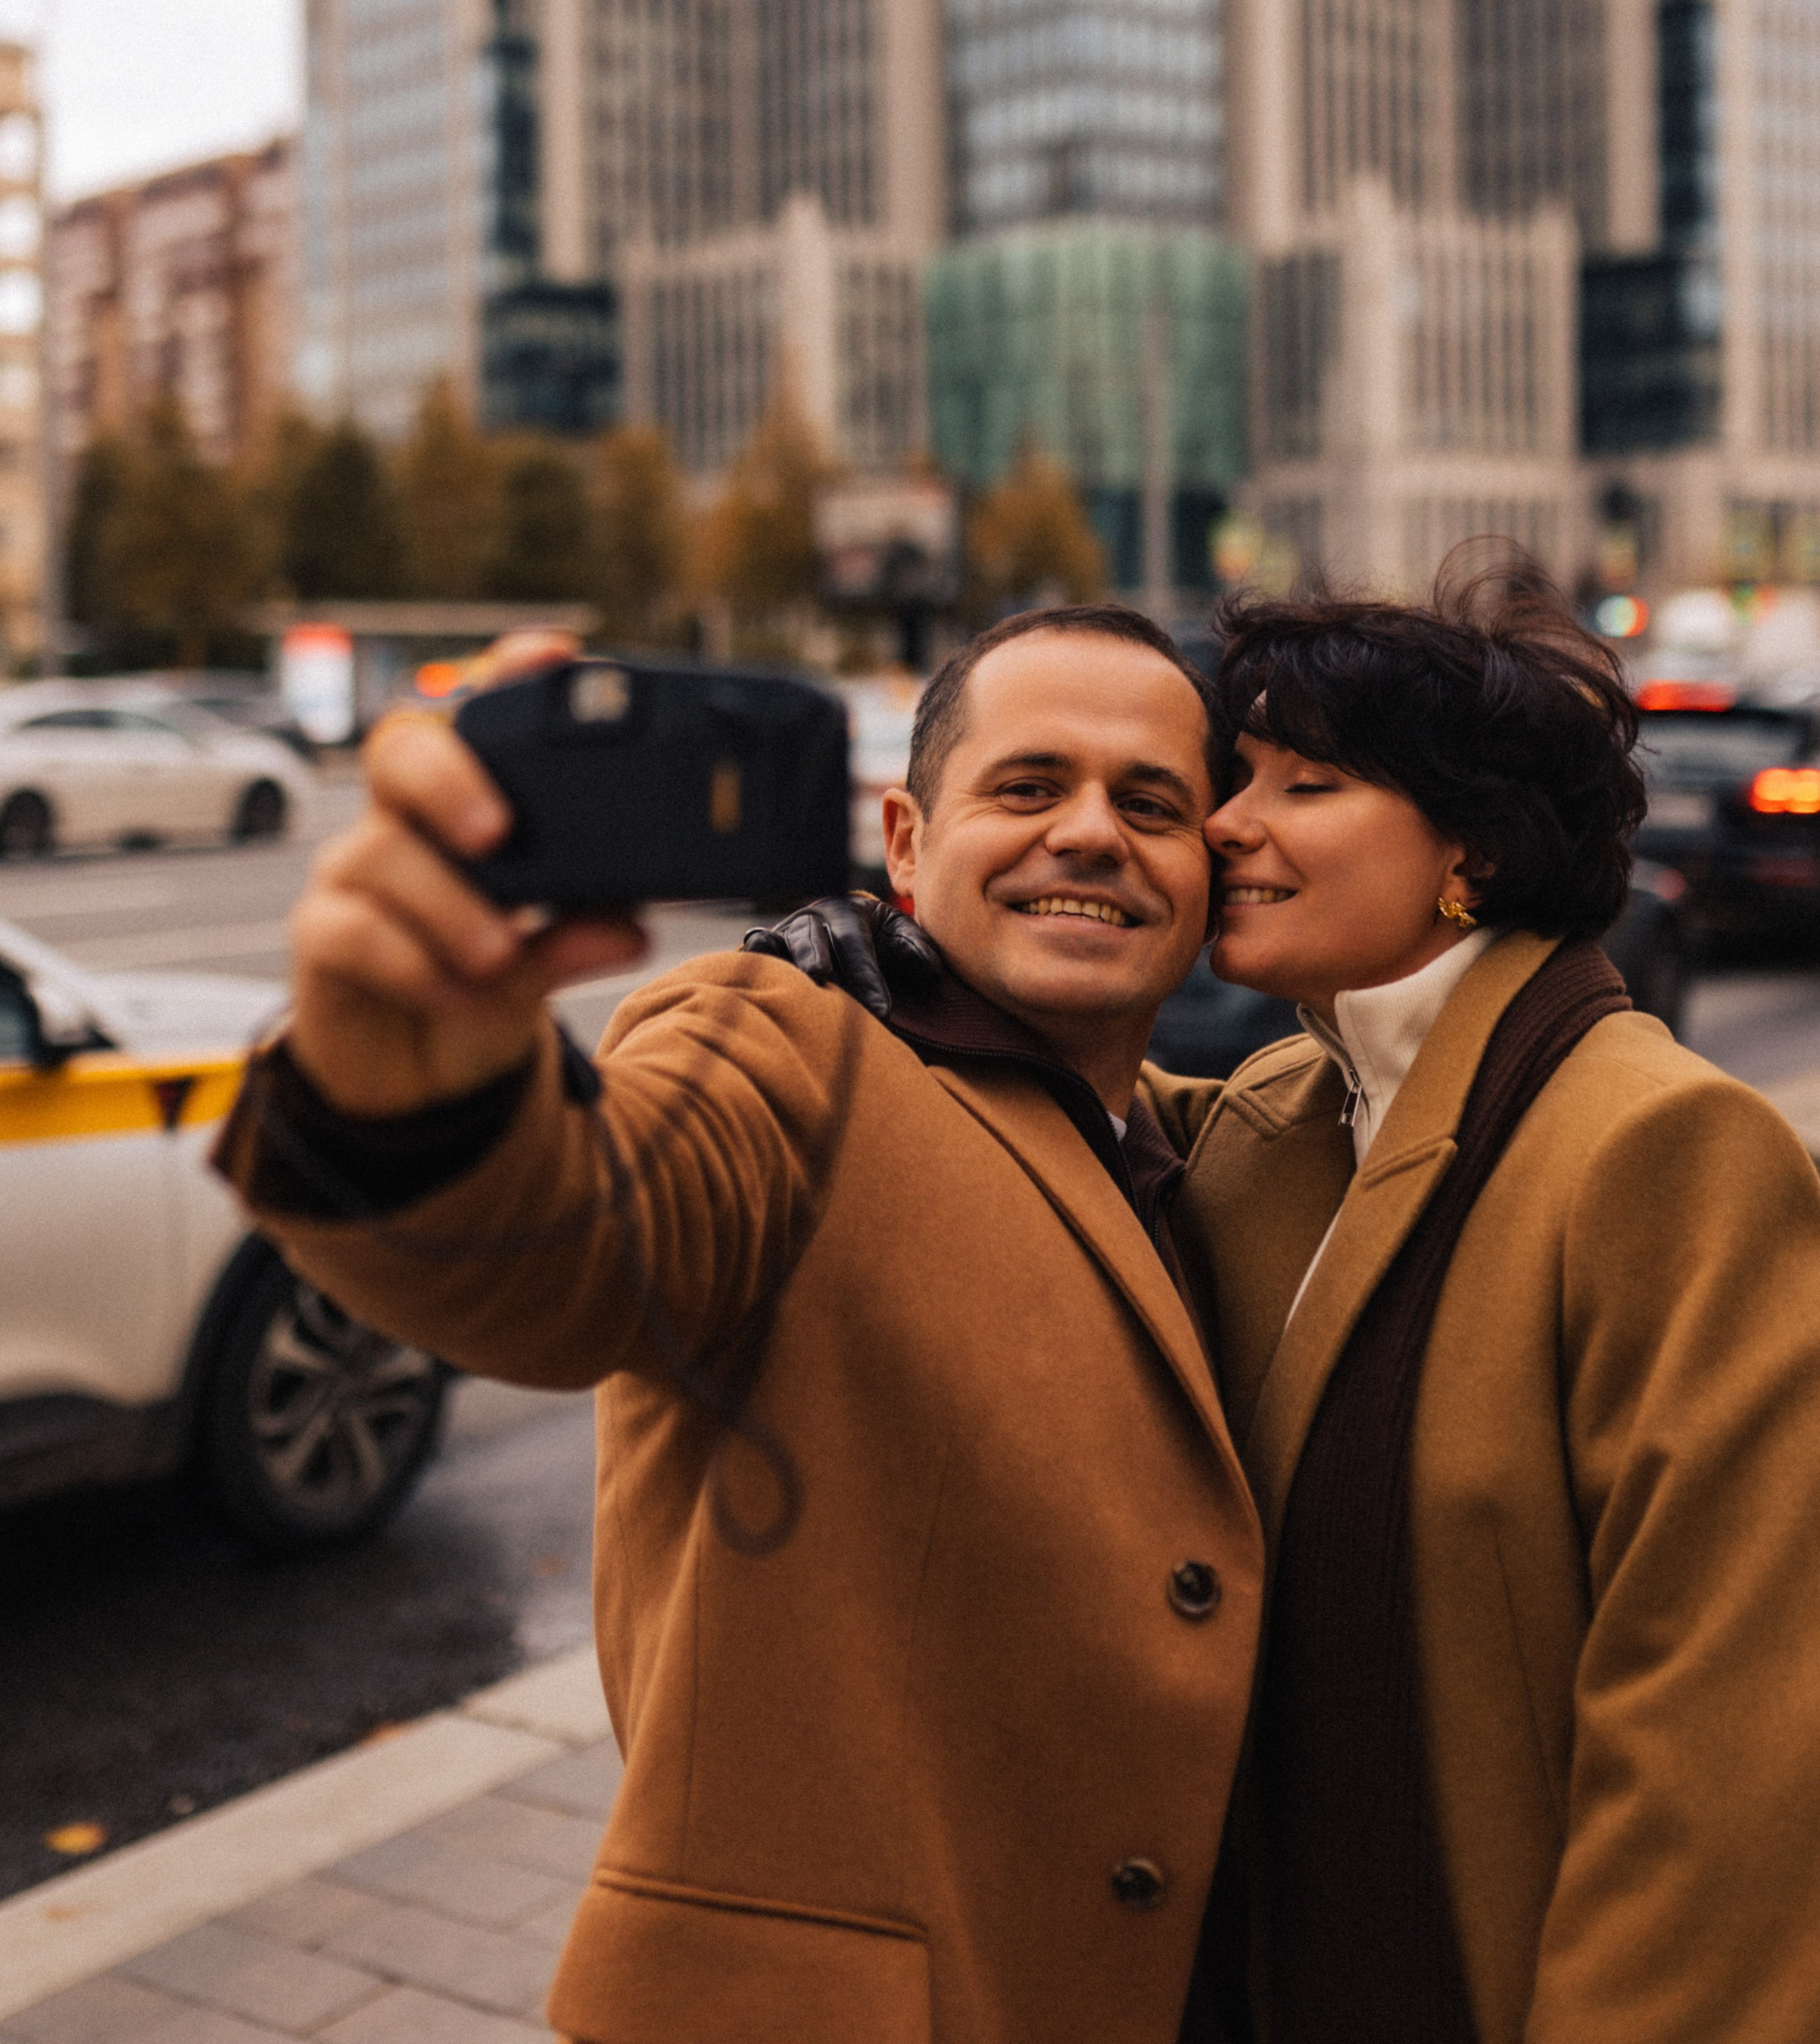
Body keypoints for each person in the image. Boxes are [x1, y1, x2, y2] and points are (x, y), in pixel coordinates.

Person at [778, 557, 1820, 2044]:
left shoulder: (1658, 1154)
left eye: (1301, 784)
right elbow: (1061, 1135)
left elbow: (1719, 1778)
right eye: (1233, 771)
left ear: (1468, 845)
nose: (1221, 824)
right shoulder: (1288, 1111)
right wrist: (899, 980)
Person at [215, 606, 1264, 2044]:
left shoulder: (1227, 1151)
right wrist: (420, 1090)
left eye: (1152, 803)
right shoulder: (783, 1043)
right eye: (1029, 788)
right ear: (903, 842)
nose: (1091, 833)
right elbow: (568, 1253)